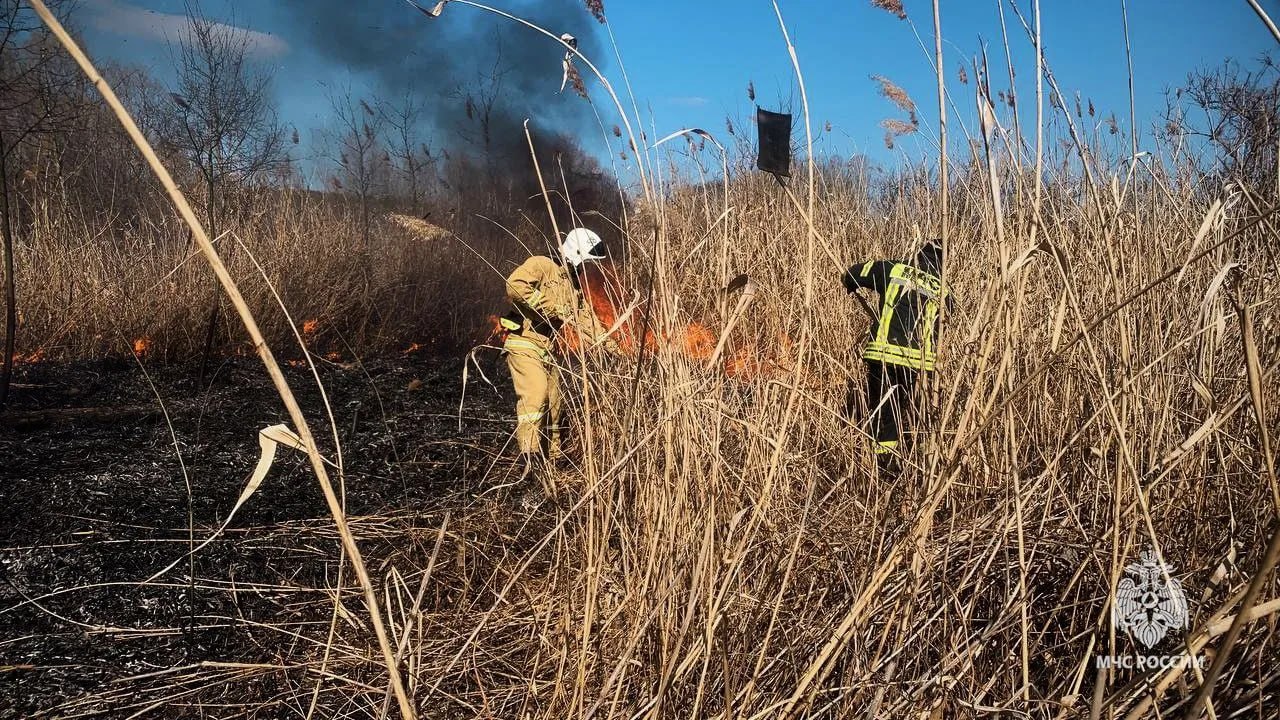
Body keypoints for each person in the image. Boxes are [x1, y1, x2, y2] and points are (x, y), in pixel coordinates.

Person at [500, 227, 616, 476]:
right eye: (585, 261)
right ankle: (529, 460)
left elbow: (586, 319)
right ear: (575, 252)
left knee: (555, 404)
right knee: (537, 394)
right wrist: (551, 308)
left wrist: (610, 345)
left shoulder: (573, 286)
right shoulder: (542, 264)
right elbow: (514, 285)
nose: (585, 268)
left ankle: (554, 458)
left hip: (548, 348)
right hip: (524, 341)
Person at [841, 240, 949, 473]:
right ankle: (919, 462)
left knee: (883, 411)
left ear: (919, 254)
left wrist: (850, 284)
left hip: (884, 354)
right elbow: (947, 321)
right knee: (903, 408)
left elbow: (854, 273)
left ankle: (883, 466)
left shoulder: (894, 268)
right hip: (919, 361)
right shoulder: (943, 288)